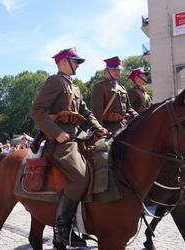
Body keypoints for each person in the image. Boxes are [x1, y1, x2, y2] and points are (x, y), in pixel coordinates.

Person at [30, 48, 107, 247]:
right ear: (64, 61)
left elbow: (86, 112)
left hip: (77, 138)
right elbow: (36, 110)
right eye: (76, 61)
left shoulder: (76, 87)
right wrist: (57, 133)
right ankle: (62, 231)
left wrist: (99, 128)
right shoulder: (54, 81)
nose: (78, 65)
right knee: (80, 177)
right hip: (61, 143)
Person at [91, 56, 138, 134]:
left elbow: (128, 108)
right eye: (114, 69)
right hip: (107, 129)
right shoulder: (99, 87)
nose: (117, 72)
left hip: (123, 127)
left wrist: (138, 116)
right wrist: (99, 131)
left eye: (119, 70)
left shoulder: (122, 88)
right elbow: (97, 112)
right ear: (106, 70)